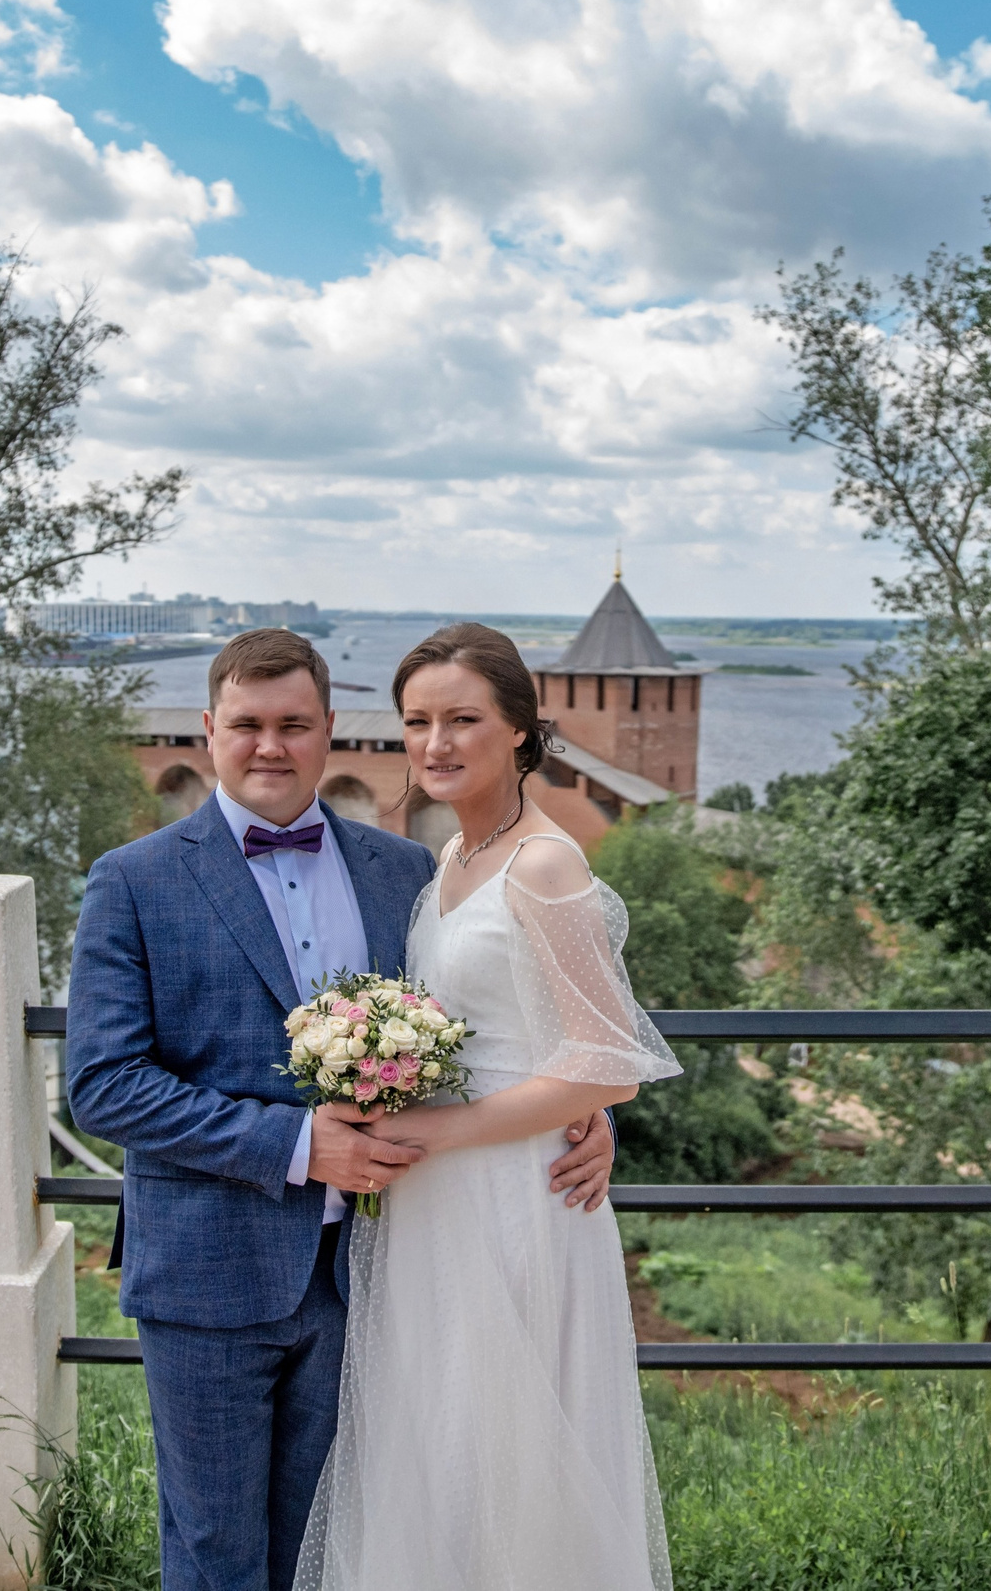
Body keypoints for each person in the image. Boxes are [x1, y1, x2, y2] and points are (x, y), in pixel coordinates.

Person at [65, 625, 618, 1591]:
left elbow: (486, 1030)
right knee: (214, 1552)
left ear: (330, 734)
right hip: (210, 1272)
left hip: (379, 1268)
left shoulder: (403, 871)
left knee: (346, 1547)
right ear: (207, 730)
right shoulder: (134, 880)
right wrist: (291, 1143)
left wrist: (581, 1108)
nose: (269, 747)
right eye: (246, 725)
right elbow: (105, 1084)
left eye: (294, 725)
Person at [296, 623, 682, 1591]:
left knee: (505, 1443)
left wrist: (441, 1126)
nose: (435, 742)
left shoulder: (545, 865)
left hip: (513, 1197)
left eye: (463, 718)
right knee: (432, 1439)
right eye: (418, 720)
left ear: (518, 729)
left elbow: (609, 1062)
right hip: (434, 1204)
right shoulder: (457, 857)